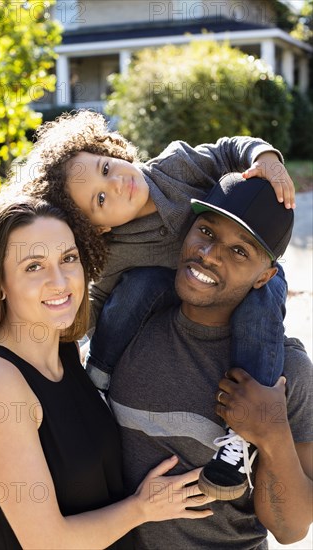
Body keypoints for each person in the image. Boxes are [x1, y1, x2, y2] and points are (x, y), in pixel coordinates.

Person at [16, 110, 295, 497]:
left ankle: (240, 439)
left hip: (245, 273)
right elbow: (97, 302)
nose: (116, 185)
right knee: (138, 286)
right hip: (177, 285)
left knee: (261, 305)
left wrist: (266, 159)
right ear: (97, 228)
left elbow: (229, 149)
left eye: (105, 168)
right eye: (100, 198)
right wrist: (49, 336)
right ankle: (97, 378)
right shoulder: (115, 252)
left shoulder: (174, 166)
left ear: (110, 150)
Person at [0, 198, 215, 550]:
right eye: (33, 267)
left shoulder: (67, 355)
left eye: (68, 258)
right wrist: (142, 509)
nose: (59, 281)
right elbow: (46, 543)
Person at [108, 173, 313, 549]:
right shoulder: (131, 326)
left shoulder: (286, 373)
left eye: (240, 252)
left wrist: (271, 433)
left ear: (264, 276)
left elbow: (291, 529)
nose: (210, 254)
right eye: (206, 231)